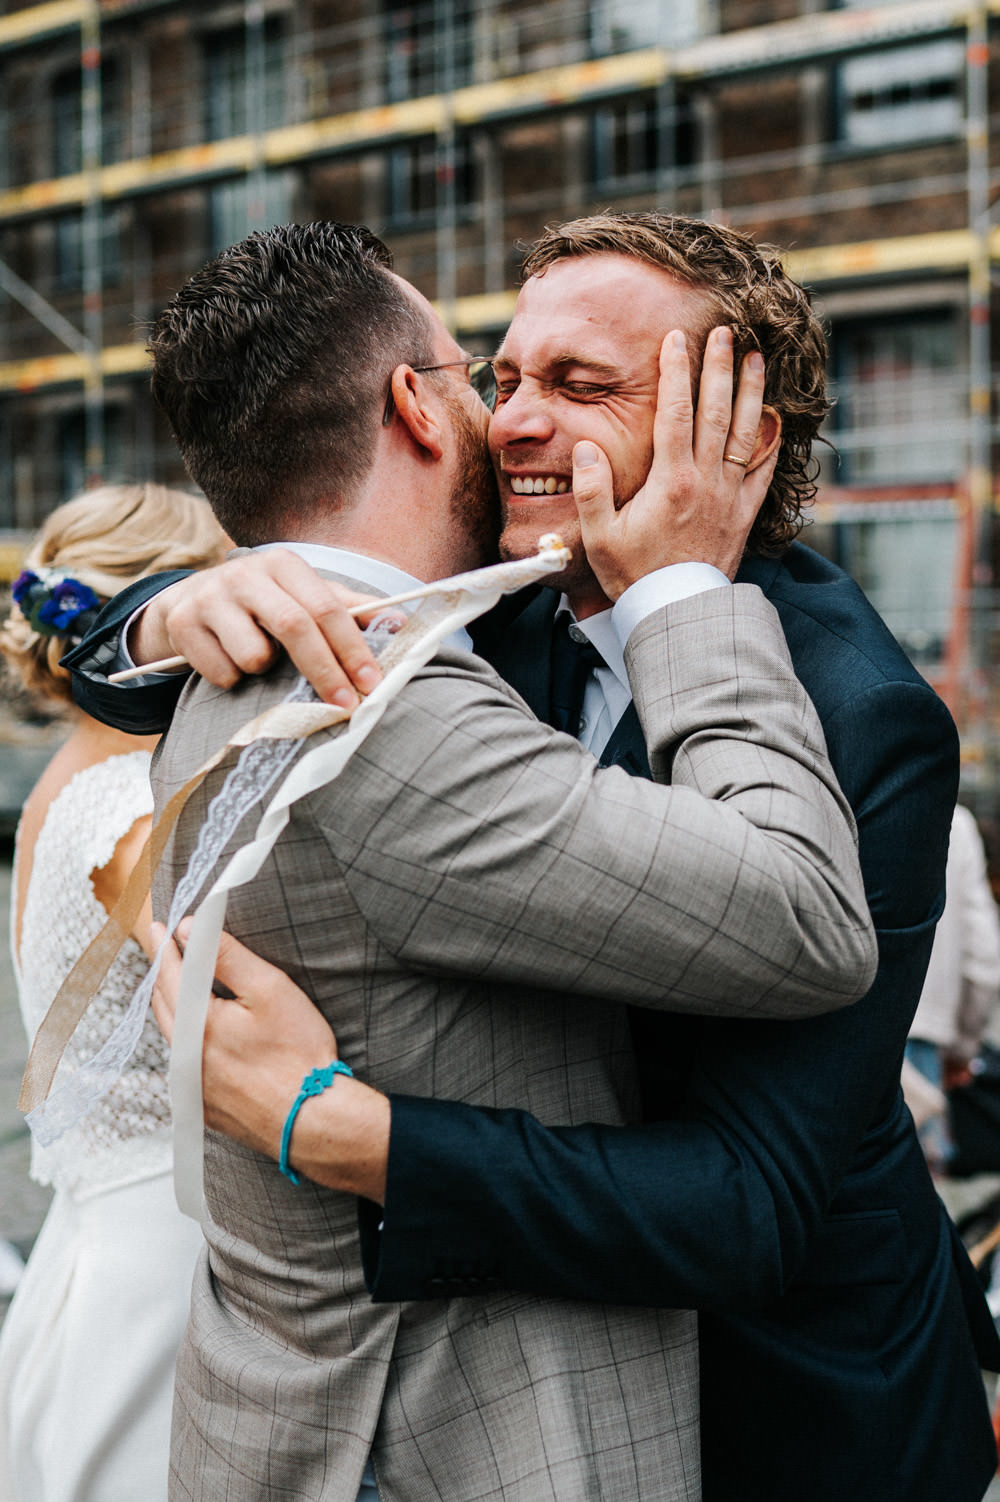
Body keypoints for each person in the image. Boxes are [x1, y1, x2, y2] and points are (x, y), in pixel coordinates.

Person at [67, 212, 1000, 1501]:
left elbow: (752, 1198)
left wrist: (364, 1137)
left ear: (738, 434)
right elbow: (182, 620)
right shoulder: (496, 599)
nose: (506, 421)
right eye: (501, 378)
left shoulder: (860, 714)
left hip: (790, 1400)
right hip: (544, 1402)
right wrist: (169, 608)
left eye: (581, 384)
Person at [0, 483, 227, 1502]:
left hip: (98, 1239)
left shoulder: (67, 774)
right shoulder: (127, 806)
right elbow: (216, 982)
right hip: (164, 1261)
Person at [903, 801, 1000, 1170]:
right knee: (915, 1191)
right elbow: (984, 959)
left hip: (836, 1036)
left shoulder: (837, 793)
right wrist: (963, 1048)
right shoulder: (955, 823)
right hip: (925, 1042)